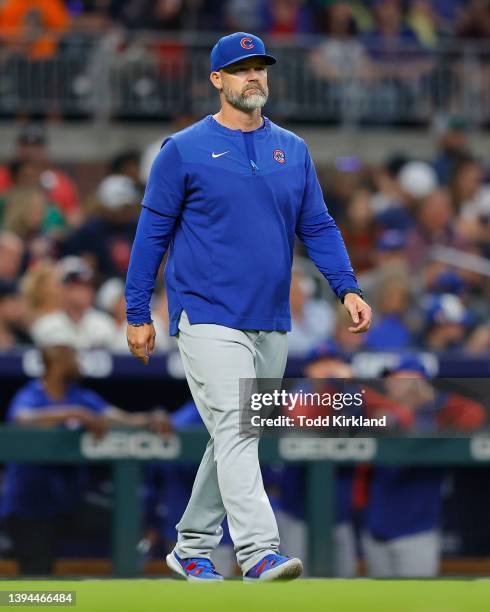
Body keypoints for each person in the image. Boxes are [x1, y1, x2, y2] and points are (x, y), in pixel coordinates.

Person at [125, 31, 372, 583]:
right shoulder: (182, 149)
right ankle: (259, 550)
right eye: (240, 69)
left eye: (260, 67)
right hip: (207, 314)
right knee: (238, 427)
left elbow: (318, 225)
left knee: (237, 435)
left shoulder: (293, 148)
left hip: (271, 319)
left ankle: (190, 546)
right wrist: (138, 312)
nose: (253, 77)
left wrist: (347, 287)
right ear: (217, 80)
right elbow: (150, 236)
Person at [1, 320, 170, 575]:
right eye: (73, 356)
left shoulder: (80, 395)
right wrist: (76, 414)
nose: (79, 362)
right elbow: (24, 419)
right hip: (29, 505)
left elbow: (118, 417)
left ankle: (132, 572)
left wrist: (152, 417)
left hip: (68, 501)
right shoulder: (32, 393)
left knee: (126, 516)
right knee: (38, 574)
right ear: (56, 359)